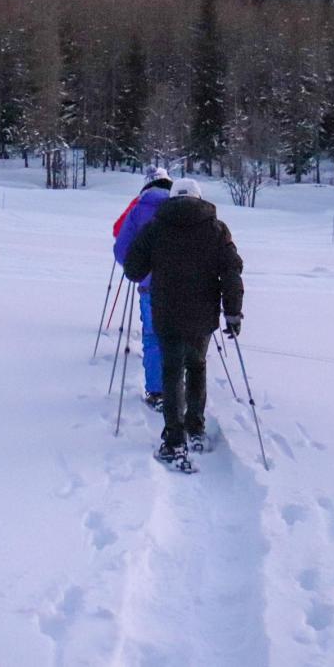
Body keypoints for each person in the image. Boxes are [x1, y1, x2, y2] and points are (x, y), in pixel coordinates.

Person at [124, 178, 243, 470]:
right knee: (197, 366)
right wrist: (233, 312)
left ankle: (175, 441)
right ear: (199, 198)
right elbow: (231, 272)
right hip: (202, 314)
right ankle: (196, 429)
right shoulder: (217, 229)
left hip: (166, 311)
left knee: (172, 371)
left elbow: (134, 269)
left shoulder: (156, 226)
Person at [113, 166, 173, 409]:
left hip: (150, 286)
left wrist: (137, 269)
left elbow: (121, 247)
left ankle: (158, 392)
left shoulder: (139, 208)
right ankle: (185, 389)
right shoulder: (185, 206)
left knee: (153, 336)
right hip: (185, 286)